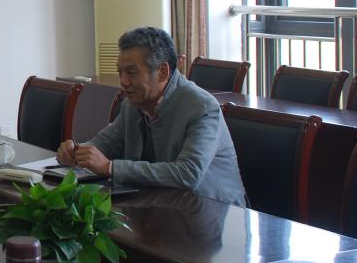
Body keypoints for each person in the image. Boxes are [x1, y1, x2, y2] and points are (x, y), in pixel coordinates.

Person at [58, 27, 246, 206]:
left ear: (162, 72)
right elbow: (106, 142)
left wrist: (110, 167)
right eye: (120, 72)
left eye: (132, 73)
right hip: (159, 205)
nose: (123, 81)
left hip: (212, 211)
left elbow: (188, 173)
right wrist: (77, 152)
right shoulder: (132, 104)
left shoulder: (201, 107)